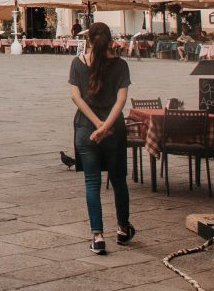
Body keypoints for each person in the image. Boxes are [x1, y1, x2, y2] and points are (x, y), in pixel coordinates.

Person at [68, 21, 134, 255]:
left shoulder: (77, 63)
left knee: (92, 182)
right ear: (110, 40)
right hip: (114, 130)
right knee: (118, 181)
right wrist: (106, 125)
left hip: (86, 129)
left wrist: (96, 125)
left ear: (88, 39)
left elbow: (76, 98)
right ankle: (124, 229)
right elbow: (122, 101)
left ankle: (98, 236)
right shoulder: (121, 65)